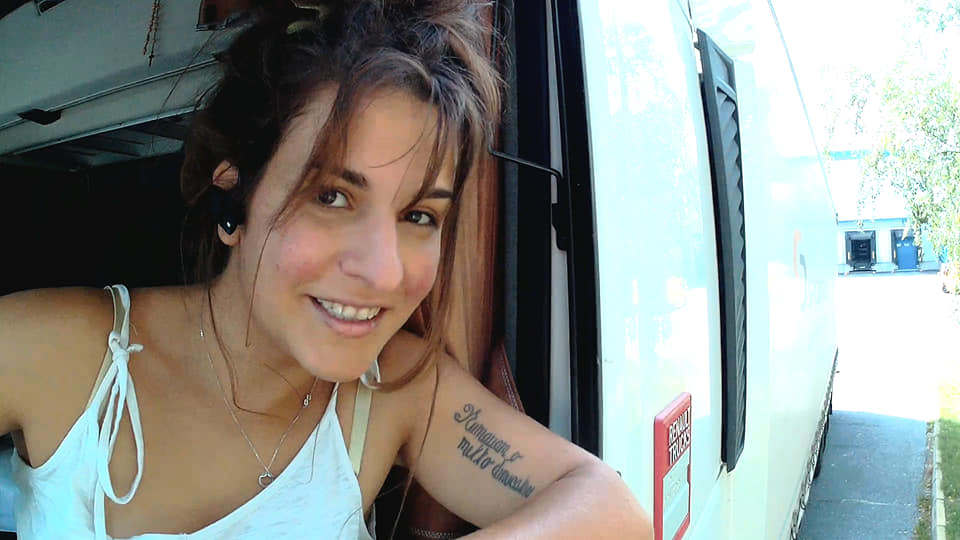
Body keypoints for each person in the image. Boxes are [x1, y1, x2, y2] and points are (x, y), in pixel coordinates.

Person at [0, 1, 653, 538]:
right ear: (233, 204)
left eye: (419, 215)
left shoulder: (394, 387)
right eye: (332, 197)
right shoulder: (60, 352)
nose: (384, 272)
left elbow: (610, 506)